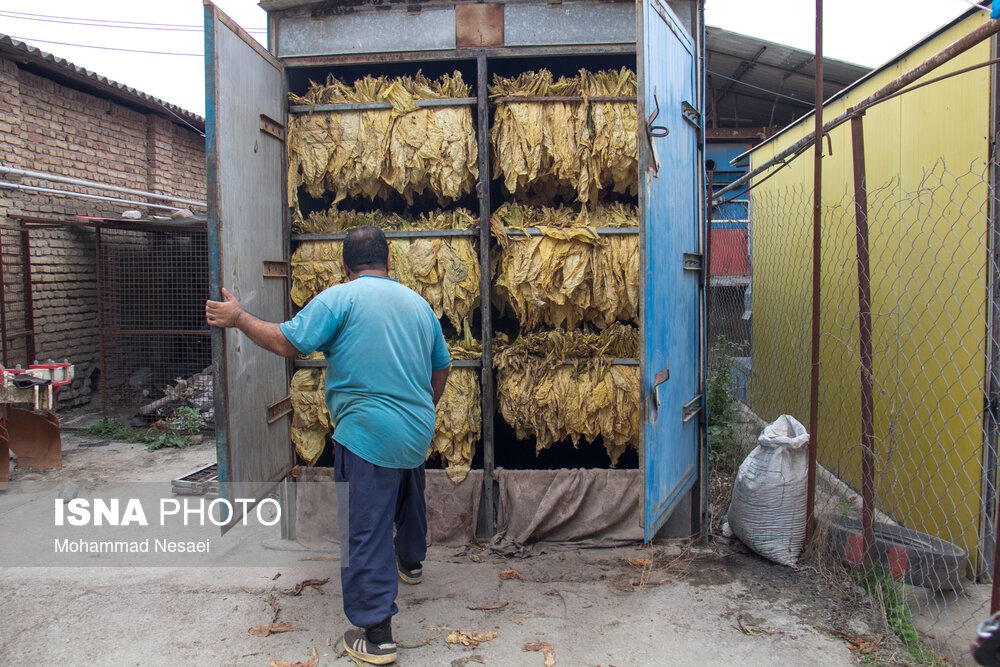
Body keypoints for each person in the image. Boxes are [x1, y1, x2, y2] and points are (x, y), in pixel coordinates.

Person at [205, 226, 451, 665]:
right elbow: (442, 366)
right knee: (409, 490)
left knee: (366, 528)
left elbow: (285, 341)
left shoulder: (341, 298)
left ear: (344, 266)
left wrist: (239, 318)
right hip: (416, 429)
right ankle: (411, 562)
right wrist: (423, 406)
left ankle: (377, 634)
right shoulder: (419, 305)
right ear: (388, 262)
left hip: (366, 433)